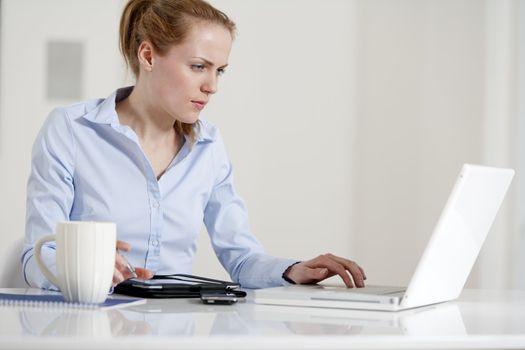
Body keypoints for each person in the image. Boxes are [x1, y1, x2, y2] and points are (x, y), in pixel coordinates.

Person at [21, 0, 366, 290]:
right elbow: (35, 260)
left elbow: (241, 256)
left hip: (177, 328)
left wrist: (293, 270)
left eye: (220, 71)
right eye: (199, 66)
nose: (211, 86)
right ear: (148, 55)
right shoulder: (72, 130)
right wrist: (84, 267)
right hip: (90, 329)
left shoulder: (209, 146)